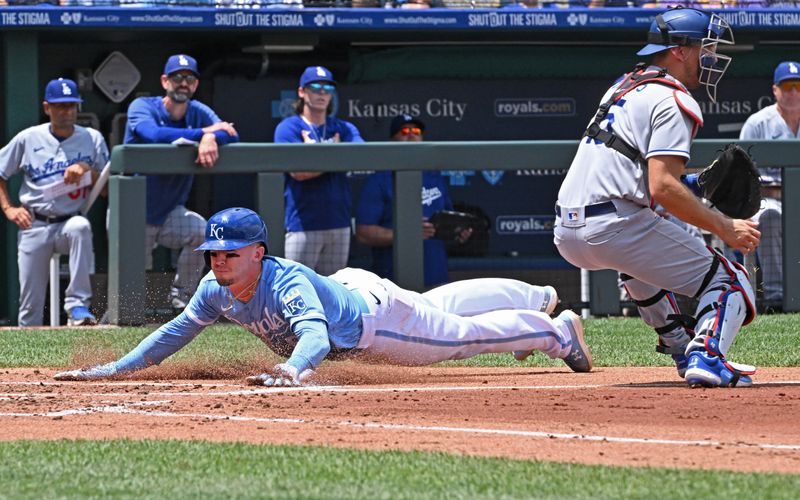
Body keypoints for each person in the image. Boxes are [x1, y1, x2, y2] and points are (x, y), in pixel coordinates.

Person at [54, 207, 591, 385]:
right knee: (437, 308)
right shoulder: (214, 288)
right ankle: (536, 297)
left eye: (231, 254)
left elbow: (312, 334)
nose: (219, 262)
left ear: (258, 253)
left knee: (458, 337)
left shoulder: (283, 280)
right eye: (213, 255)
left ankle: (554, 330)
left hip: (373, 323)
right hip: (355, 289)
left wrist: (293, 370)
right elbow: (174, 333)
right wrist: (113, 369)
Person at [554, 7, 761, 388]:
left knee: (640, 260)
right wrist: (725, 226)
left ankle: (681, 345)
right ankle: (708, 356)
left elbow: (649, 183)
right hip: (614, 224)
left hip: (568, 230)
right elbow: (662, 188)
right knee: (731, 281)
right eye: (705, 47)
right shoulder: (674, 100)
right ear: (680, 50)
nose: (711, 58)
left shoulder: (625, 86)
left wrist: (698, 184)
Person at [124, 54, 240, 310]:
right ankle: (125, 314)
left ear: (196, 85)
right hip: (133, 210)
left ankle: (181, 298)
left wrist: (211, 139)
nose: (183, 83)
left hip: (169, 213)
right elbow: (152, 134)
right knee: (132, 276)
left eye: (189, 79)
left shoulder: (198, 111)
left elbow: (230, 132)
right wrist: (204, 133)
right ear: (165, 81)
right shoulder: (143, 105)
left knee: (201, 231)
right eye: (177, 78)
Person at [0, 78, 108, 326]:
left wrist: (87, 170)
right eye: (60, 106)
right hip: (34, 222)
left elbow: (106, 191)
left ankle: (78, 305)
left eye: (72, 105)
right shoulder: (28, 138)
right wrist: (9, 209)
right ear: (47, 107)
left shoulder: (92, 138)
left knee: (81, 226)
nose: (67, 111)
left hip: (68, 221)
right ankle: (28, 363)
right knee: (29, 307)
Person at [356, 114, 467, 288]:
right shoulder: (379, 180)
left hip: (436, 276)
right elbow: (364, 233)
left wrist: (458, 232)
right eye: (404, 131)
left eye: (416, 131)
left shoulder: (434, 177)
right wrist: (406, 235)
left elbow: (447, 221)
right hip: (393, 281)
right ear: (392, 140)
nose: (411, 134)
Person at [274, 66, 363, 276]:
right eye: (315, 87)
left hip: (339, 223)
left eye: (327, 87)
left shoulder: (343, 127)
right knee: (296, 289)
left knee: (333, 294)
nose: (322, 92)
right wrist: (336, 152)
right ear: (302, 92)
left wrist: (314, 155)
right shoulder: (289, 127)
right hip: (303, 224)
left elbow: (360, 155)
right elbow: (298, 172)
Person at [738, 61, 794, 306]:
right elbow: (742, 176)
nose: (794, 92)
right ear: (775, 90)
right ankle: (776, 295)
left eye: (799, 86)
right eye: (787, 86)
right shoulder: (758, 123)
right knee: (770, 215)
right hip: (768, 199)